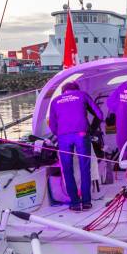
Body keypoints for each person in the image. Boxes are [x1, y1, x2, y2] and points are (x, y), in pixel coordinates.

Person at [48, 81, 103, 211]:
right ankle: (86, 202)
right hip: (81, 135)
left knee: (67, 169)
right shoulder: (82, 95)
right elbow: (99, 115)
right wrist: (91, 130)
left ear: (63, 92)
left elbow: (52, 124)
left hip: (63, 138)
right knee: (85, 168)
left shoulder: (55, 101)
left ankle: (75, 203)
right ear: (76, 89)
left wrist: (61, 134)